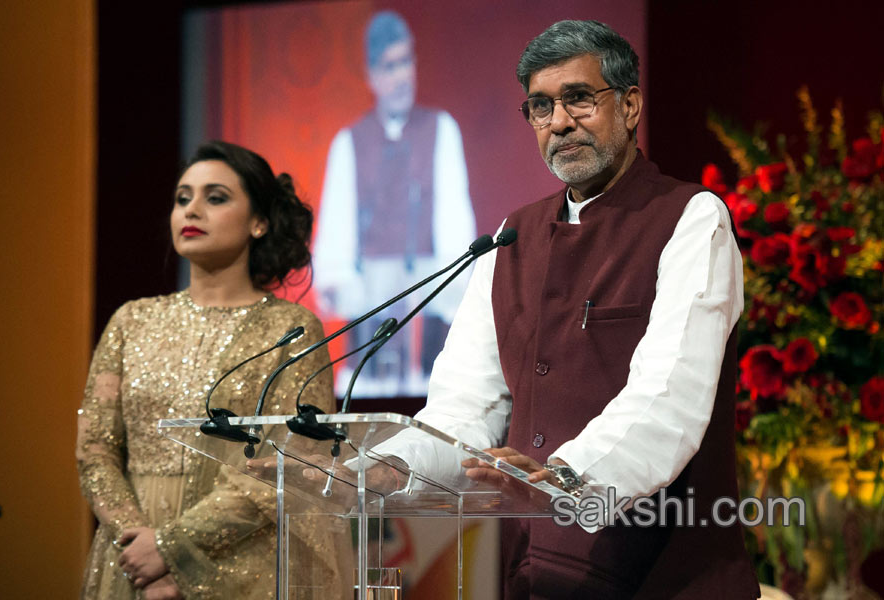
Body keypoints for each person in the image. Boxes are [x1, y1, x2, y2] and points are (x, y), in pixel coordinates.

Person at [377, 20, 760, 598]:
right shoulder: (511, 236)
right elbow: (466, 410)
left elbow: (669, 397)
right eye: (540, 106)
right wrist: (381, 470)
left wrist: (566, 479)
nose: (558, 121)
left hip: (662, 572)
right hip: (535, 572)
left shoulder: (691, 218)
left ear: (630, 106)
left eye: (578, 98)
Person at [77, 141, 341, 599]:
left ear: (259, 222)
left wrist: (173, 548)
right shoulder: (131, 320)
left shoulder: (292, 328)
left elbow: (287, 460)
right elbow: (96, 449)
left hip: (240, 563)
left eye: (215, 198)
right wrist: (139, 542)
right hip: (132, 563)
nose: (191, 210)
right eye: (183, 198)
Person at [313, 10, 477, 396]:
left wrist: (434, 293)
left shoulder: (442, 130)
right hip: (369, 324)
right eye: (390, 66)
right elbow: (334, 246)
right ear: (371, 75)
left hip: (427, 324)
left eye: (406, 62)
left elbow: (456, 230)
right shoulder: (348, 143)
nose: (401, 76)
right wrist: (359, 292)